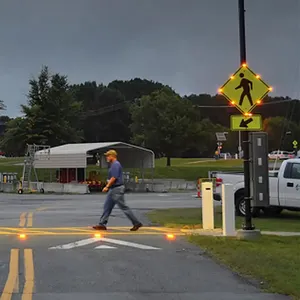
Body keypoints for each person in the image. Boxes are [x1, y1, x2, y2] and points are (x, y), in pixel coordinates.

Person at [93, 149, 143, 231]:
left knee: (123, 207)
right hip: (113, 189)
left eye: (108, 156)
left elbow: (114, 177)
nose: (107, 158)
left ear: (112, 156)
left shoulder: (115, 165)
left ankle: (136, 223)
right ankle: (102, 224)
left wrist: (107, 186)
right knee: (107, 207)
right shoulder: (113, 165)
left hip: (116, 189)